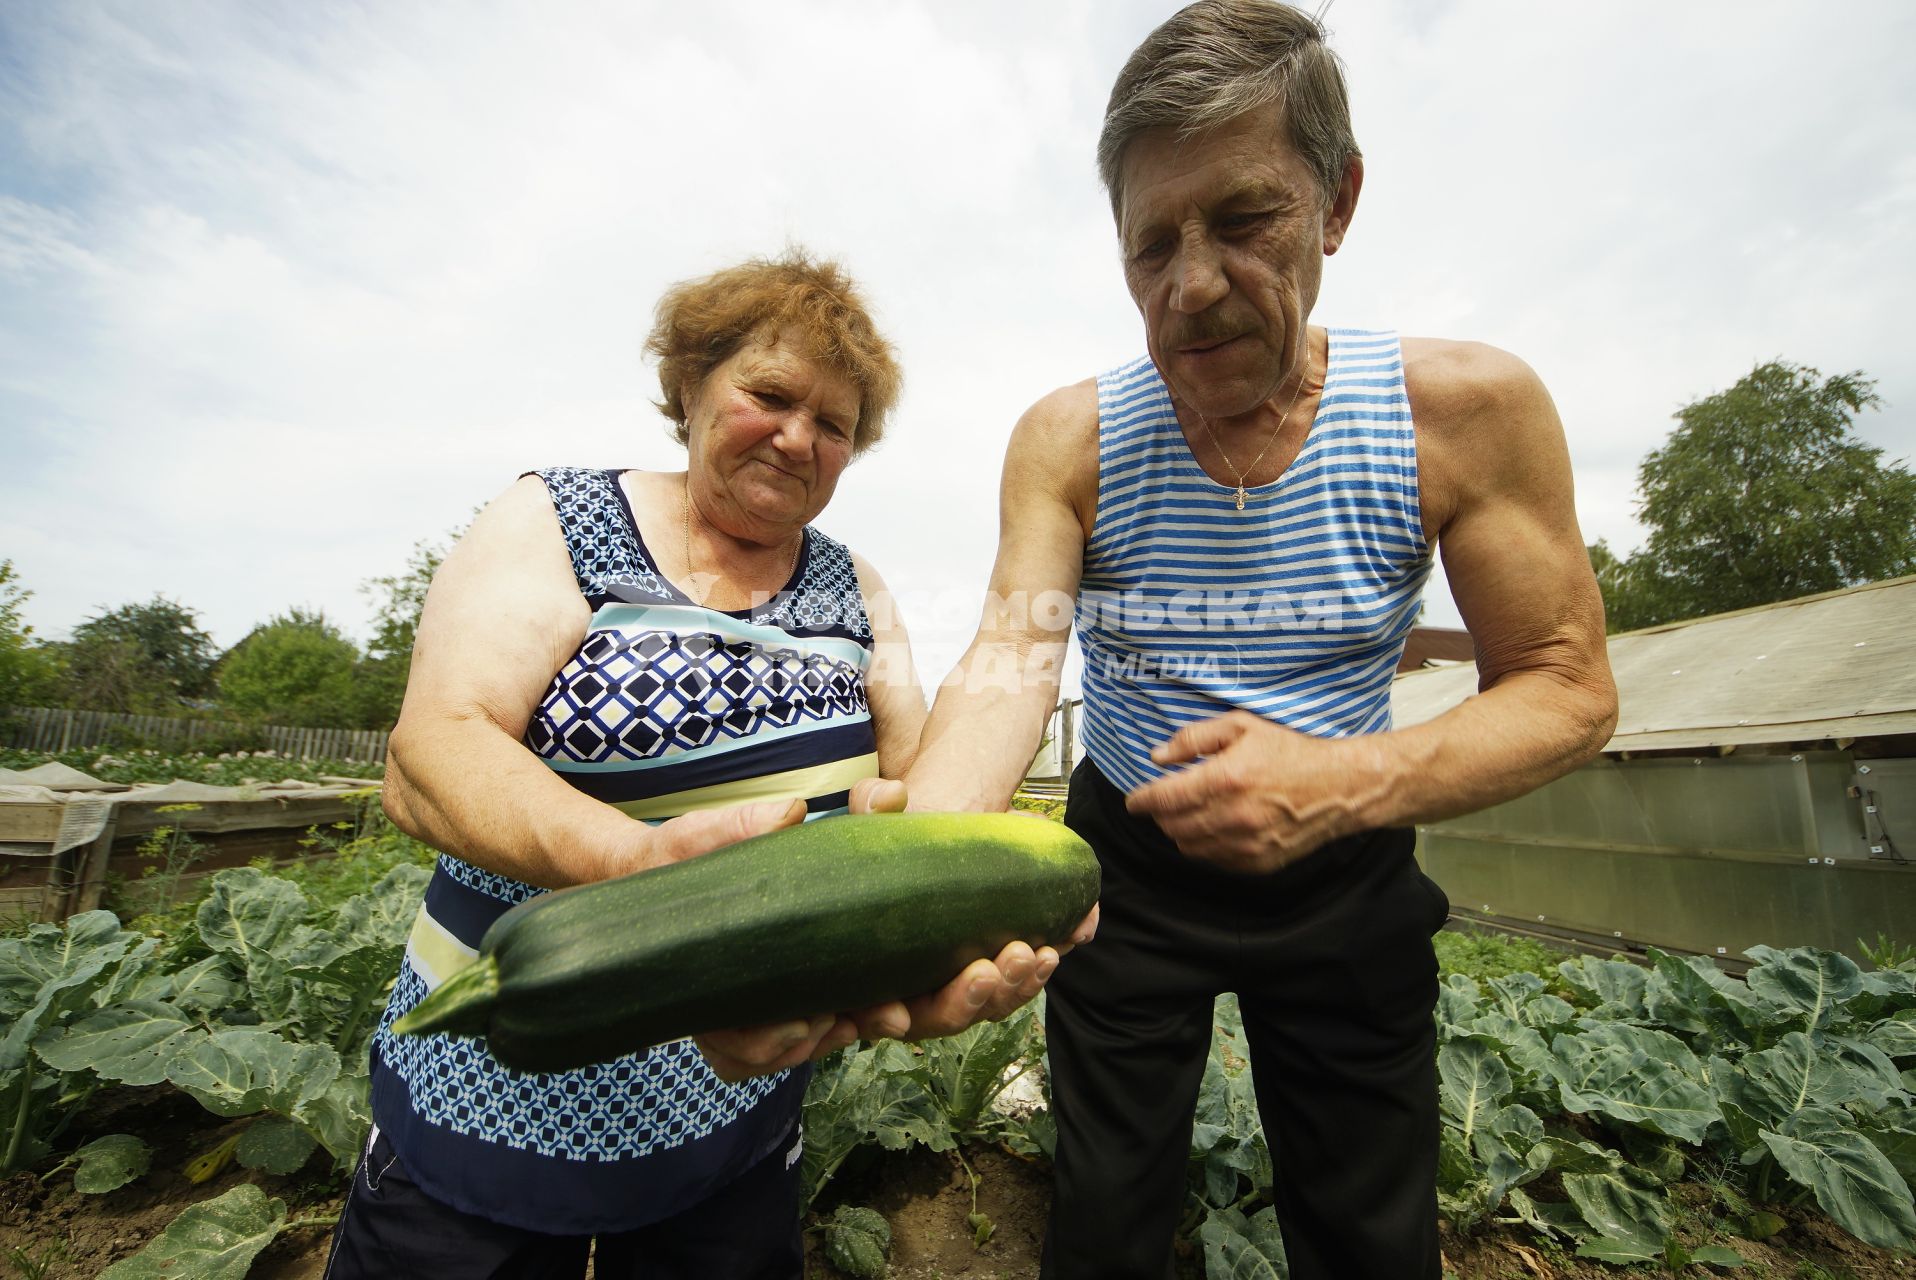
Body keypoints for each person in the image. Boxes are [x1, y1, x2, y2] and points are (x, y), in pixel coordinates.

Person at [905, 4, 1620, 1278]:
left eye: (1242, 221)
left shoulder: (1462, 413)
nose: (1189, 285)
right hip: (1120, 870)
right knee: (1106, 1215)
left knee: (1366, 1227)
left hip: (1345, 865)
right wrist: (916, 872)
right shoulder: (1067, 439)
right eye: (1148, 247)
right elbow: (1013, 655)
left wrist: (1337, 783)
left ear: (1335, 202)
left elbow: (1565, 686)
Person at [323, 251, 1068, 1280]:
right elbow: (433, 746)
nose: (799, 435)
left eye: (836, 423)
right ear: (690, 384)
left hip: (737, 1115)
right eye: (769, 395)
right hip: (491, 1074)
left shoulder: (855, 587)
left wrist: (968, 895)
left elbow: (913, 790)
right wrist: (632, 867)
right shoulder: (559, 518)